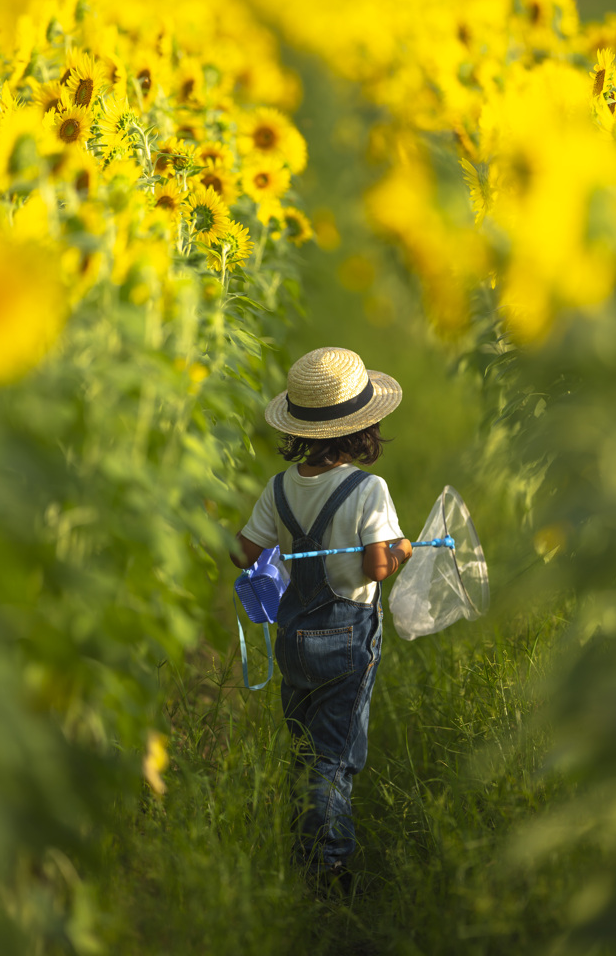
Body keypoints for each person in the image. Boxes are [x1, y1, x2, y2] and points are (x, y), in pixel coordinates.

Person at [231, 346, 412, 891]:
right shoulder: (367, 490)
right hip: (348, 639)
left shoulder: (281, 486)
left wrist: (274, 558)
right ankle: (327, 868)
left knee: (307, 746)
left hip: (294, 638)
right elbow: (377, 567)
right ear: (364, 429)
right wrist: (402, 548)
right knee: (335, 757)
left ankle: (304, 842)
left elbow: (243, 551)